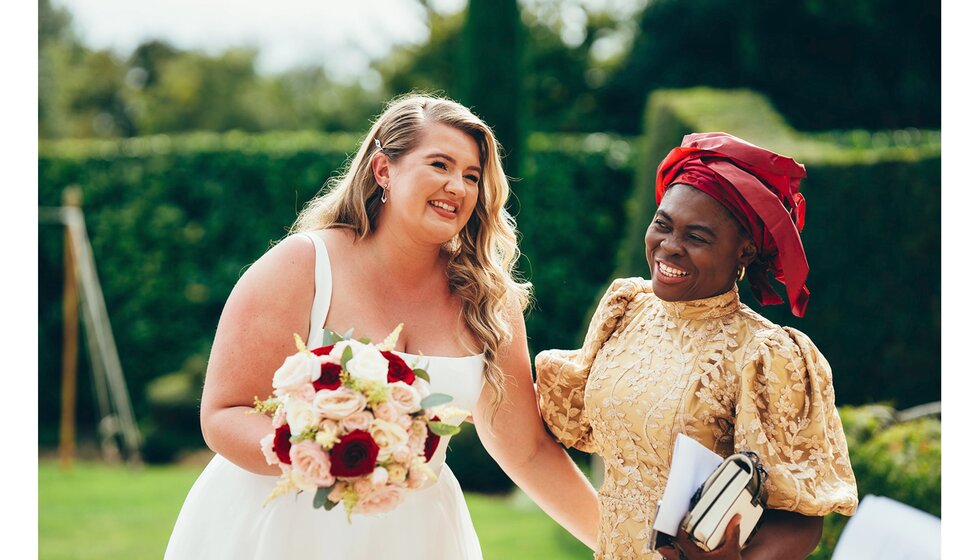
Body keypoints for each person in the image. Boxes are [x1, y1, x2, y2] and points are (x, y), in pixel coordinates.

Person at [165, 94, 599, 559]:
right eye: (440, 165)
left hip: (416, 538)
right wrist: (322, 451)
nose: (458, 186)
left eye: (472, 176)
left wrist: (628, 548)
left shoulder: (489, 301)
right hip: (280, 532)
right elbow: (223, 412)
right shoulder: (303, 265)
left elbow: (528, 451)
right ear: (383, 171)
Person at [536, 132, 858, 560]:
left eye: (698, 237)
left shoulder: (767, 353)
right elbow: (568, 422)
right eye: (663, 224)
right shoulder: (627, 307)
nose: (669, 247)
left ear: (744, 252)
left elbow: (802, 520)